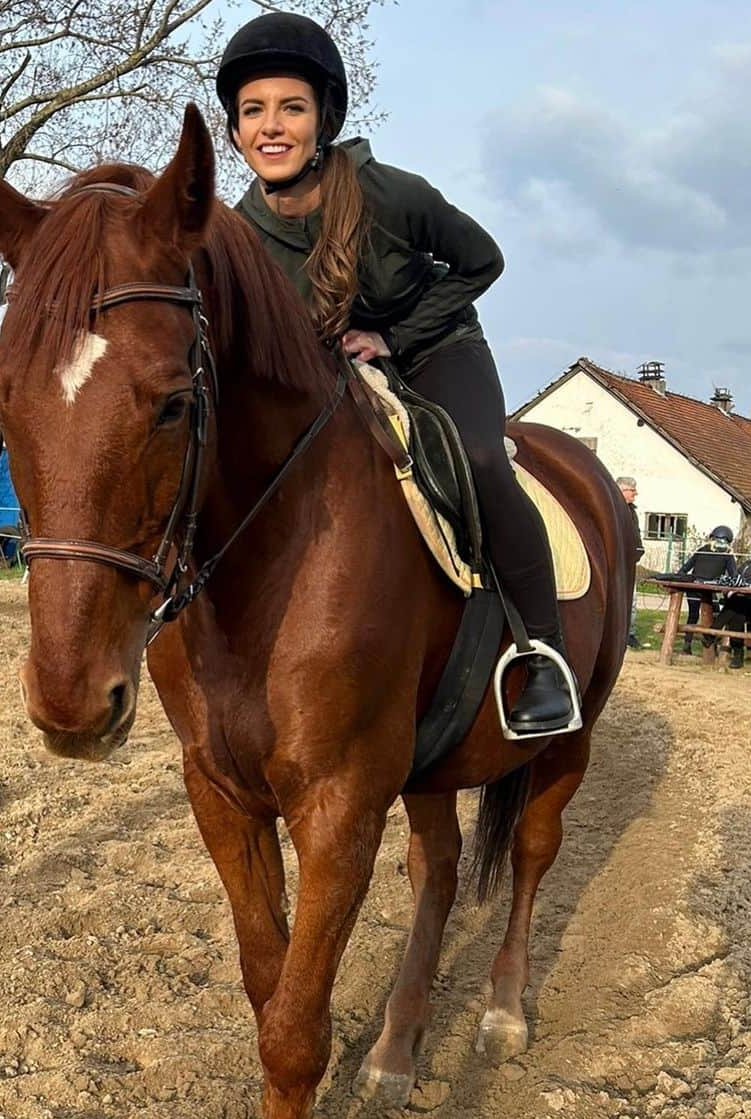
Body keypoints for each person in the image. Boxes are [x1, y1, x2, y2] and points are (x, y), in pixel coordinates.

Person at [217, 13, 575, 733]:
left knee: (476, 460)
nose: (271, 126)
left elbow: (484, 260)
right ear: (234, 131)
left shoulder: (389, 194)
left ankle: (543, 657)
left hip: (437, 348)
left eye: (292, 107)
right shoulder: (236, 234)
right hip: (333, 375)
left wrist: (392, 335)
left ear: (325, 119)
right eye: (253, 111)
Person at [675, 526, 737, 655]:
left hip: (694, 586)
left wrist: (682, 579)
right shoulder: (727, 555)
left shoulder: (702, 550)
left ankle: (688, 644)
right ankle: (711, 645)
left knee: (693, 615)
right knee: (716, 615)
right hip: (708, 589)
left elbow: (685, 568)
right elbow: (734, 575)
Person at [714, 535, 751, 668]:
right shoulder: (746, 566)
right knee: (737, 610)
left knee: (737, 604)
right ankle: (737, 655)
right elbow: (734, 581)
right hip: (745, 606)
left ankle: (712, 632)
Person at [615, 478, 645, 648]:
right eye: (632, 490)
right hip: (616, 561)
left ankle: (629, 634)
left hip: (629, 561)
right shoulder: (613, 507)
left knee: (631, 600)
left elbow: (635, 534)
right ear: (622, 490)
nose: (635, 494)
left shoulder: (632, 512)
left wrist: (638, 549)